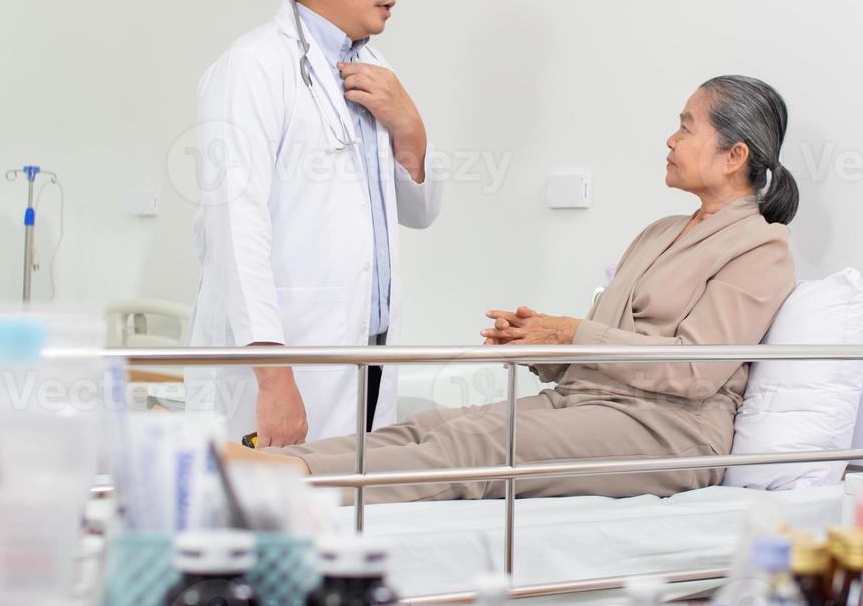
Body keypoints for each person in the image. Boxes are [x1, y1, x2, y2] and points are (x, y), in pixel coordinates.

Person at [233, 75, 797, 503]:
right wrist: (543, 349)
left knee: (479, 447)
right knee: (436, 425)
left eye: (687, 125)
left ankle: (284, 483)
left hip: (670, 431)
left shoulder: (760, 249)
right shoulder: (659, 233)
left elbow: (696, 370)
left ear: (734, 155)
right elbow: (605, 353)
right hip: (590, 404)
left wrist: (573, 334)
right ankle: (264, 461)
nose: (671, 139)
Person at [186, 0, 443, 447]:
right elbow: (235, 223)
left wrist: (411, 126)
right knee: (269, 524)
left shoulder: (381, 73)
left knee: (345, 516)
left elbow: (418, 211)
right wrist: (274, 377)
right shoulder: (253, 67)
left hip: (368, 353)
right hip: (286, 361)